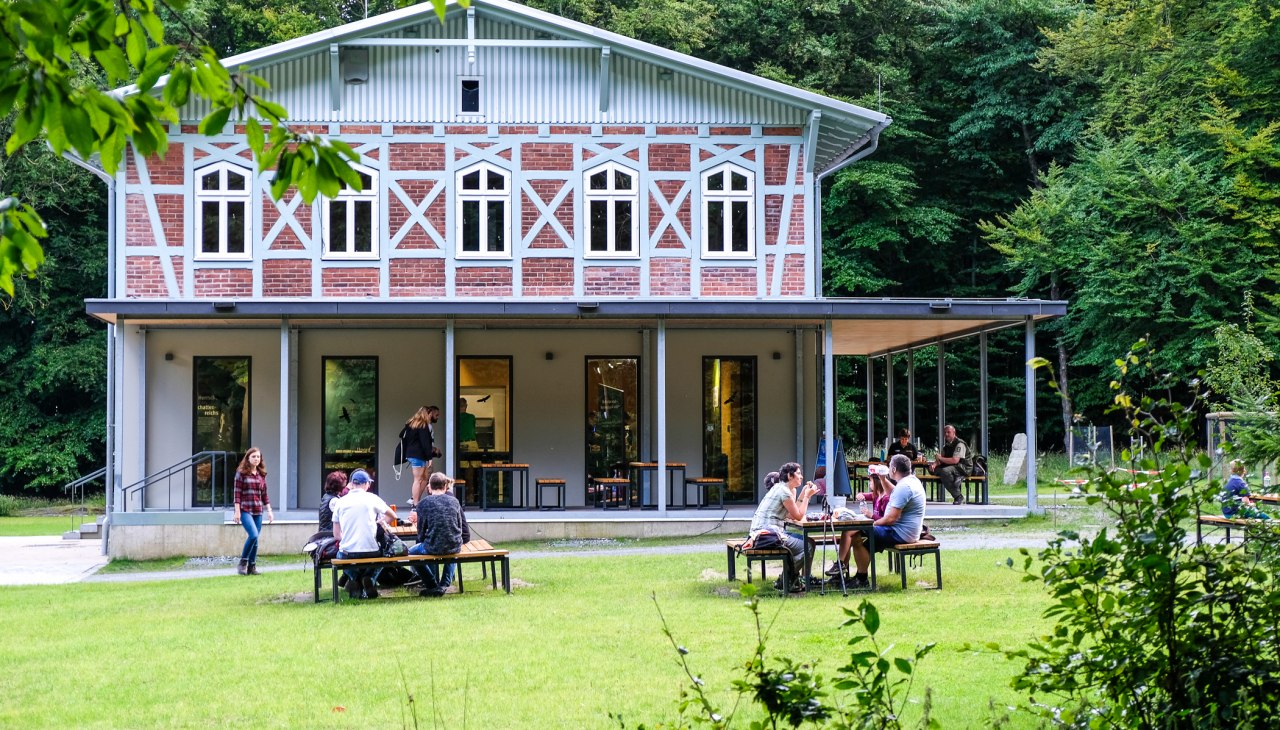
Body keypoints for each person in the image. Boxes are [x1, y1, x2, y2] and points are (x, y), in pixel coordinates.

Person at [847, 454, 927, 588]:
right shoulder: (911, 481)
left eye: (890, 466)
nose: (888, 469)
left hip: (899, 533)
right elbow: (894, 494)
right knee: (858, 537)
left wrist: (871, 523)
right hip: (905, 531)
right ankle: (860, 577)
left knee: (859, 535)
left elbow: (891, 519)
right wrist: (883, 479)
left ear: (894, 470)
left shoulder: (905, 486)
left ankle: (860, 578)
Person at [748, 463, 819, 593]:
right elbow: (798, 516)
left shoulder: (780, 488)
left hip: (762, 533)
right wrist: (808, 497)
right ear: (789, 476)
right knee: (807, 547)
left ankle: (800, 579)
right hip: (766, 536)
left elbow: (791, 514)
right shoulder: (784, 492)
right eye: (798, 473)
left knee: (811, 542)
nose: (801, 477)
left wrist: (803, 493)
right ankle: (786, 579)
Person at [331, 468, 394, 599]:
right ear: (366, 484)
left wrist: (349, 540)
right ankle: (369, 578)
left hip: (348, 552)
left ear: (352, 484)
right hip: (371, 550)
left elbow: (336, 535)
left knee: (339, 554)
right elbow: (392, 515)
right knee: (382, 556)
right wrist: (379, 525)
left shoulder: (340, 502)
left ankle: (354, 578)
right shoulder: (373, 498)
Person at [826, 463, 894, 578]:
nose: (869, 484)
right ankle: (841, 570)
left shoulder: (886, 498)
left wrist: (871, 515)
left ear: (877, 482)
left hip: (880, 527)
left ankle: (841, 565)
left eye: (871, 481)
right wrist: (860, 495)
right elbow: (864, 495)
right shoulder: (876, 495)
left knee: (848, 532)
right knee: (848, 534)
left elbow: (886, 519)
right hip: (874, 524)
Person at [409, 472, 471, 597]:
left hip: (432, 545)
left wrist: (424, 540)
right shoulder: (454, 502)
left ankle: (431, 584)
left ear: (430, 487)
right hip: (454, 544)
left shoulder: (423, 504)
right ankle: (444, 584)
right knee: (452, 551)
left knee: (411, 553)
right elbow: (459, 525)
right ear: (445, 486)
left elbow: (421, 532)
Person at [232, 447, 273, 576]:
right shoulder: (241, 473)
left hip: (258, 510)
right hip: (245, 509)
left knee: (255, 540)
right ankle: (243, 563)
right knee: (253, 535)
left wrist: (269, 511)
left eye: (258, 457)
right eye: (253, 456)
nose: (256, 459)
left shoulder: (261, 475)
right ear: (248, 458)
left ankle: (252, 567)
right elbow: (237, 494)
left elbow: (264, 495)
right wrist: (237, 511)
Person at [401, 406, 442, 504]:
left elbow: (401, 435)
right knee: (418, 479)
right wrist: (430, 457)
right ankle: (415, 503)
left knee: (424, 478)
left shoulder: (411, 424)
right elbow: (425, 443)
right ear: (428, 414)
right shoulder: (423, 426)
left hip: (412, 454)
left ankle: (415, 500)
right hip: (418, 455)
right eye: (431, 414)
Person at [929, 424, 971, 504]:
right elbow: (941, 459)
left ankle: (958, 496)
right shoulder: (946, 445)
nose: (946, 434)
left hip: (963, 468)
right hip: (953, 466)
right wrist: (933, 465)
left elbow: (955, 460)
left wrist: (940, 458)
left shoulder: (960, 444)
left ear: (954, 432)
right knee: (934, 470)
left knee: (945, 471)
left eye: (948, 432)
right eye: (945, 432)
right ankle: (955, 479)